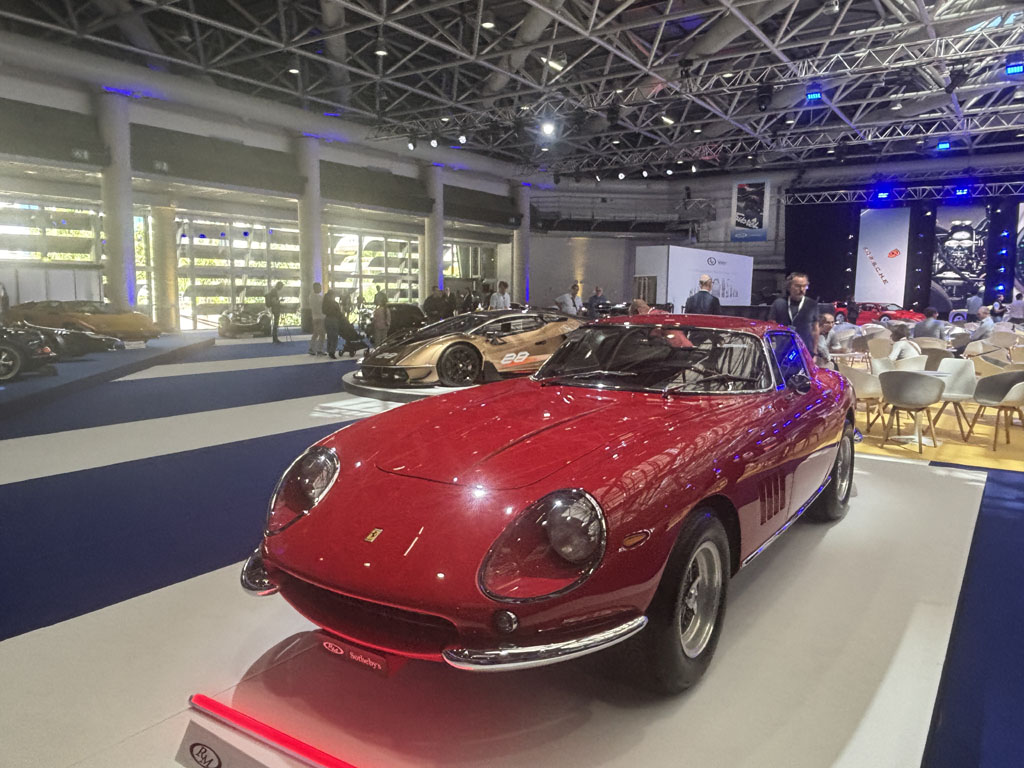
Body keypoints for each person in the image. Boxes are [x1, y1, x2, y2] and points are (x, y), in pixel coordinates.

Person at [768, 272, 818, 353]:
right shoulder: (778, 303)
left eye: (804, 286)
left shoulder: (812, 304)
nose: (802, 289)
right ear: (789, 287)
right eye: (798, 286)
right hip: (782, 350)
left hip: (805, 351)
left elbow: (815, 329)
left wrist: (815, 352)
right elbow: (771, 325)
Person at [322, 289, 342, 358]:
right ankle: (332, 351)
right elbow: (339, 313)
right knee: (335, 337)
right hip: (334, 320)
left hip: (327, 320)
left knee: (330, 336)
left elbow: (323, 311)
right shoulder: (335, 304)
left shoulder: (325, 303)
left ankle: (329, 349)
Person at [308, 282, 326, 356]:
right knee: (322, 334)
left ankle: (312, 348)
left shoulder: (317, 296)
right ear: (315, 288)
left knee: (315, 334)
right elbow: (318, 307)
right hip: (318, 317)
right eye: (319, 287)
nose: (320, 289)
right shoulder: (313, 297)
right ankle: (319, 349)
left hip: (317, 317)